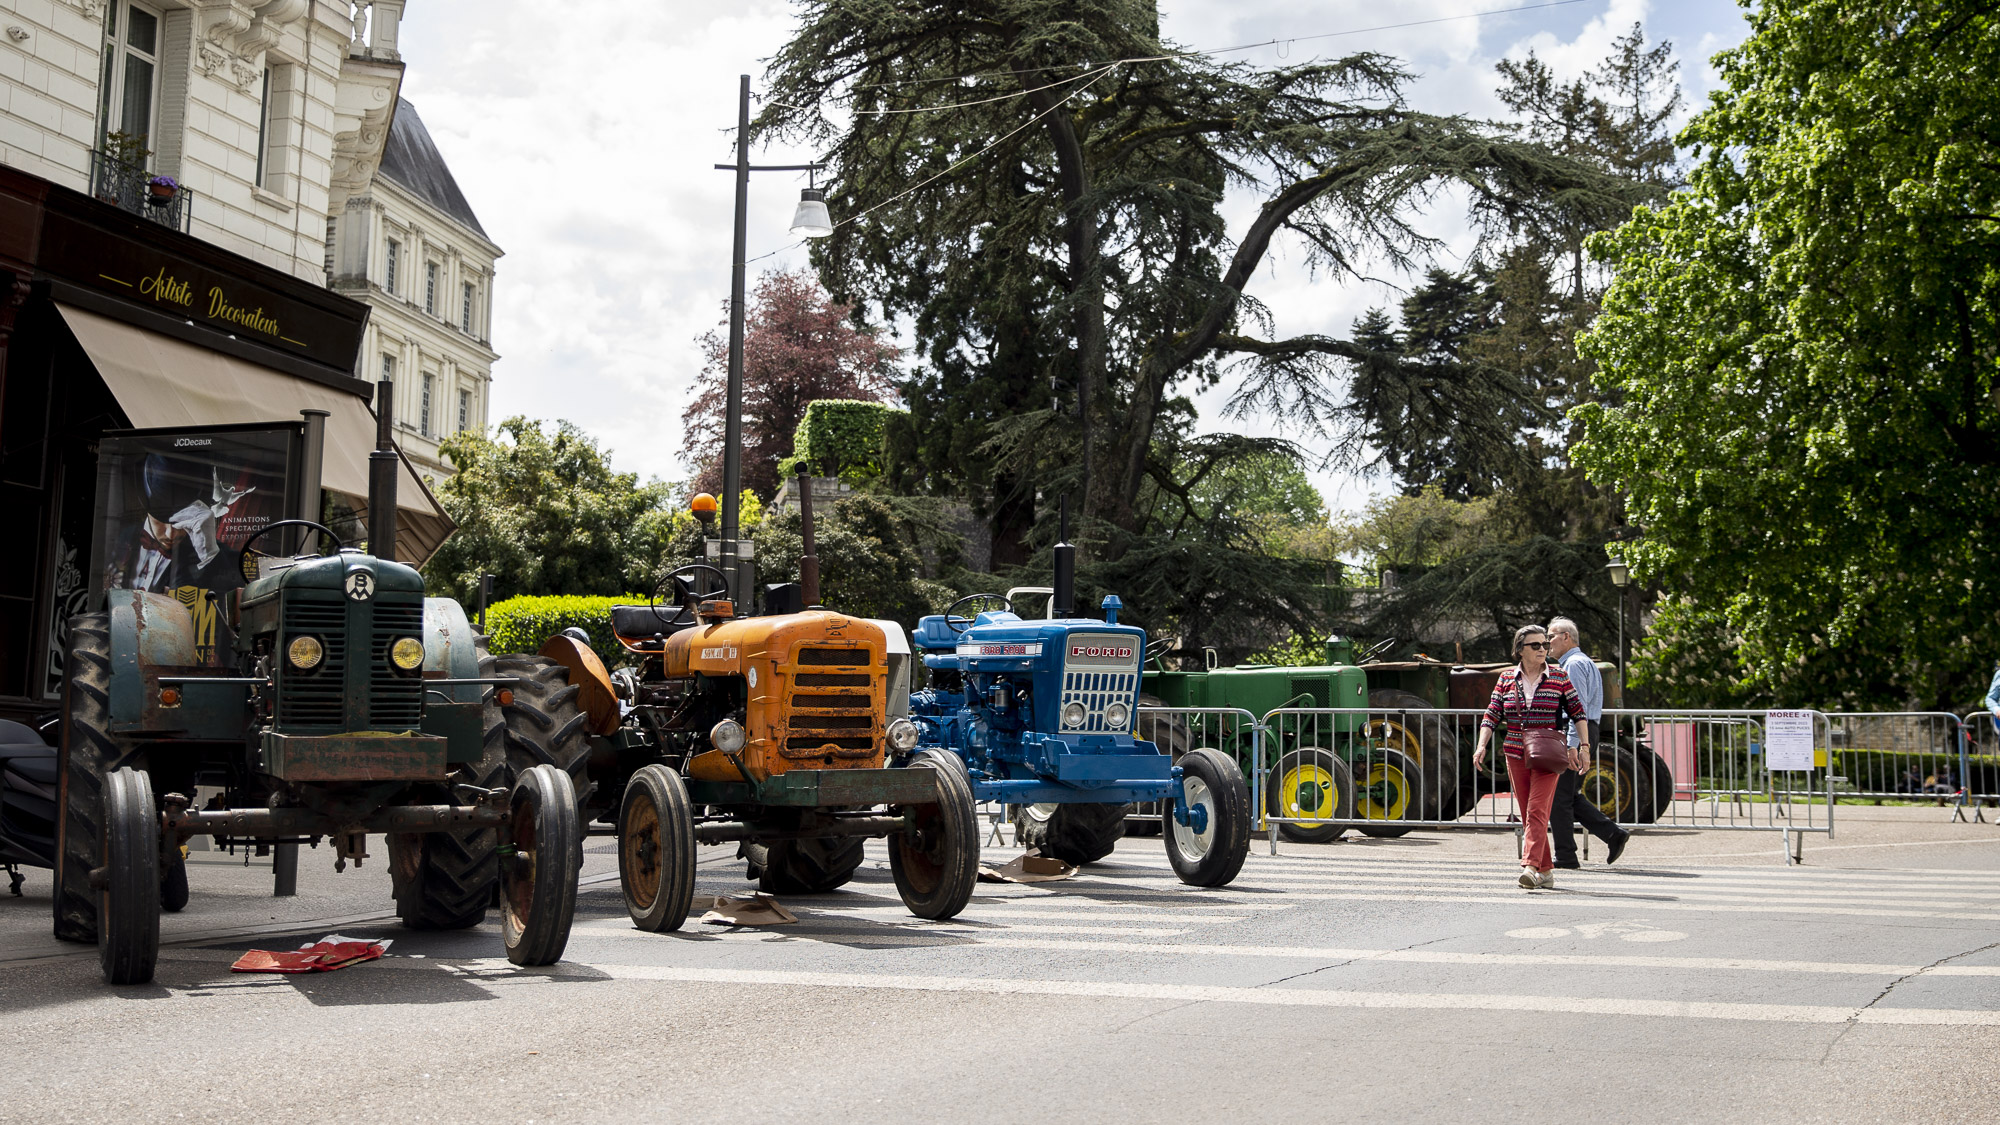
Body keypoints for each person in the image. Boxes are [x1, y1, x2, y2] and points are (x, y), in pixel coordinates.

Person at [1473, 624, 1590, 889]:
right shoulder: (1505, 679)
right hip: (1515, 753)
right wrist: (1481, 746)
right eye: (1535, 645)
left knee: (1537, 810)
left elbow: (1578, 713)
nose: (1542, 649)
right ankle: (1546, 870)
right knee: (1528, 814)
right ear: (1519, 650)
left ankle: (1529, 866)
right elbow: (1491, 716)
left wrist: (1584, 747)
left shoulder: (1559, 676)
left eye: (1545, 645)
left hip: (1549, 754)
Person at [1546, 617, 1631, 868]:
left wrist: (1574, 744)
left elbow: (1576, 707)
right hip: (1584, 731)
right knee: (1567, 794)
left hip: (1575, 732)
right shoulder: (1582, 662)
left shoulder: (1572, 665)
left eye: (1551, 636)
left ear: (1566, 637)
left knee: (1559, 797)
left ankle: (1566, 856)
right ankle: (1612, 834)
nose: (1547, 641)